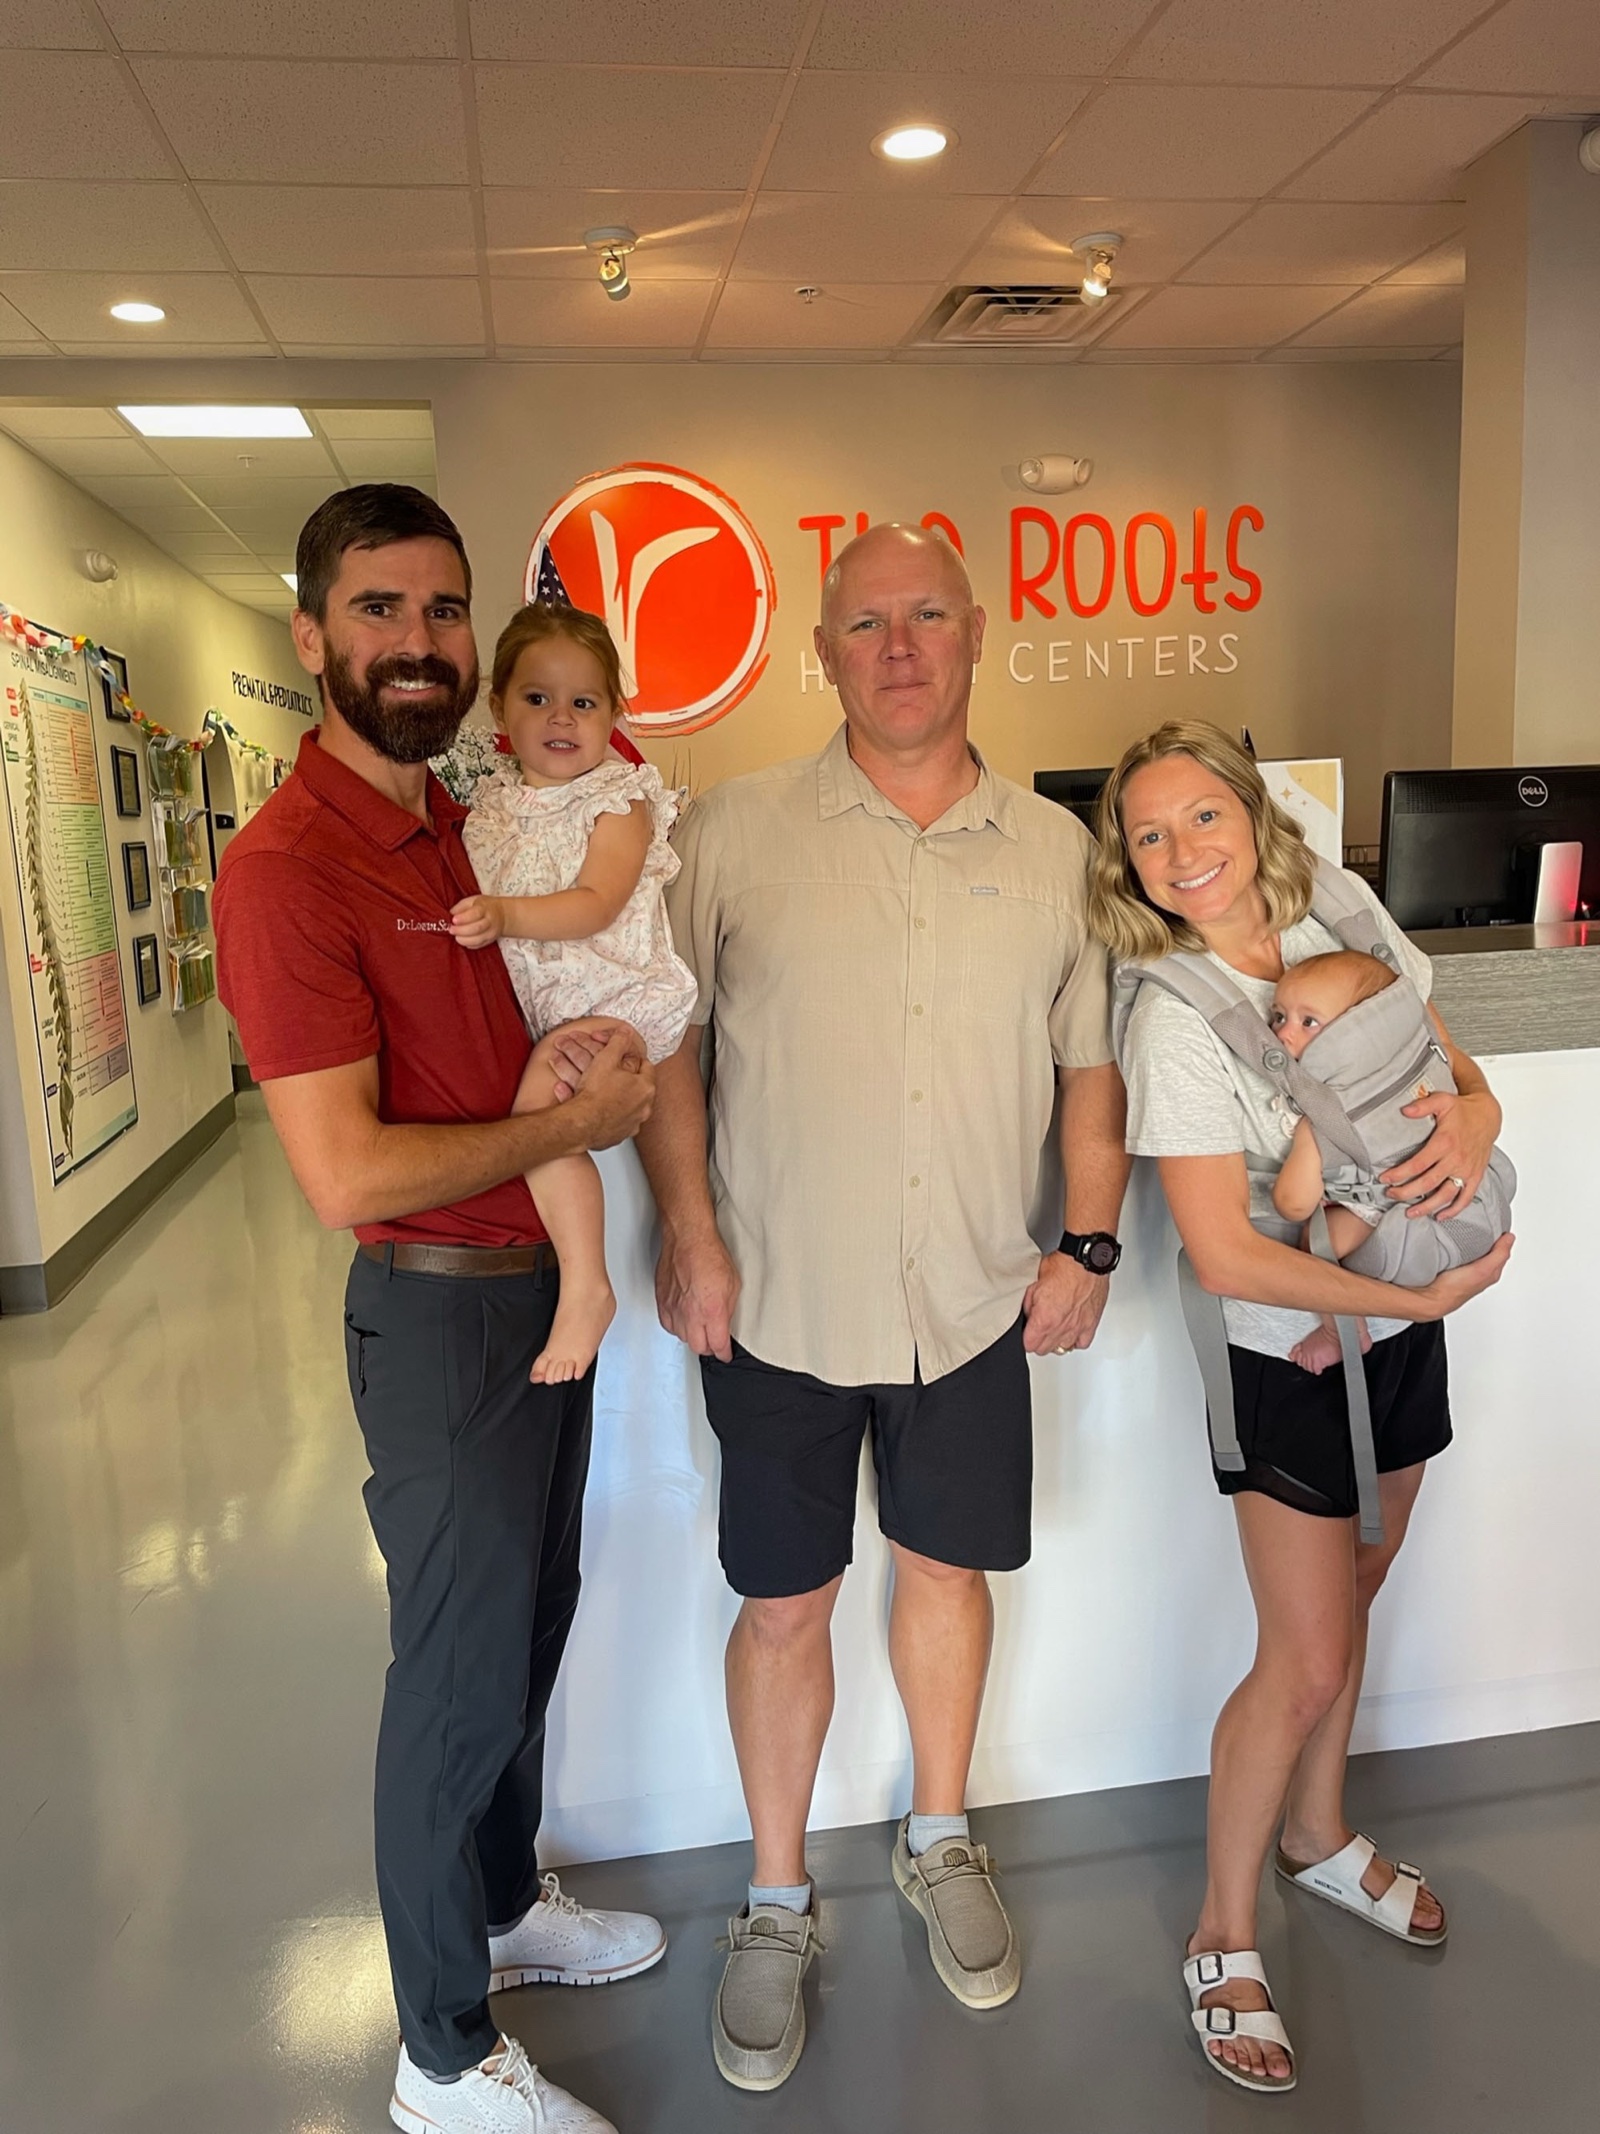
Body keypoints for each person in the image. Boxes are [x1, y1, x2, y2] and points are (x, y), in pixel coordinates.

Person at [635, 522, 1131, 2091]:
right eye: (867, 623)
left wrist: (1093, 1243)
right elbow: (670, 1053)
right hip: (775, 1297)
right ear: (821, 652)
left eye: (927, 616)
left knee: (945, 1574)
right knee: (781, 1604)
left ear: (977, 633)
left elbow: (1091, 1071)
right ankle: (776, 1900)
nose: (899, 645)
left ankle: (937, 1833)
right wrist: (691, 1234)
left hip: (978, 1300)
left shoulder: (1056, 849)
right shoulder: (734, 830)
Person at [214, 485, 665, 2134]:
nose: (420, 642)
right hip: (441, 1317)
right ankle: (439, 2050)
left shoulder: (456, 823)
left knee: (526, 1628)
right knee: (456, 1673)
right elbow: (347, 1171)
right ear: (314, 635)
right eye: (382, 608)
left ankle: (500, 1900)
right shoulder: (289, 869)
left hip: (530, 1295)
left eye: (444, 610)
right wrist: (573, 1129)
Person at [1088, 721, 1512, 2095]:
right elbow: (1224, 1253)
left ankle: (1318, 1833)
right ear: (1128, 862)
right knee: (1306, 1655)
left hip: (1391, 1313)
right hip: (1289, 1355)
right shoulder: (1169, 1013)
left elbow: (1446, 1061)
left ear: (1247, 809)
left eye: (1200, 816)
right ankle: (1224, 1930)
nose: (1182, 854)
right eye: (1149, 835)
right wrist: (1419, 1309)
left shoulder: (1339, 901)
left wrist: (1483, 1121)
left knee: (1372, 1572)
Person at [449, 602, 697, 1385]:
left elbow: (597, 899)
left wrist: (504, 916)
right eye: (537, 698)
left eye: (584, 702)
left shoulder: (617, 799)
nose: (562, 717)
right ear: (499, 708)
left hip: (606, 998)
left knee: (540, 1122)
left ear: (614, 713)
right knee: (525, 1119)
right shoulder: (489, 807)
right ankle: (580, 1278)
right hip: (541, 1011)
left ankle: (586, 1283)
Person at [1268, 950, 1516, 1373]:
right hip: (1475, 1197)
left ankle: (1340, 1331)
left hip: (1393, 1210)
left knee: (1315, 1239)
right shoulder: (1422, 1055)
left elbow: (1292, 1204)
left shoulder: (1328, 1114)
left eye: (1309, 1022)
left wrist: (1308, 1143)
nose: (1282, 1034)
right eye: (1277, 1016)